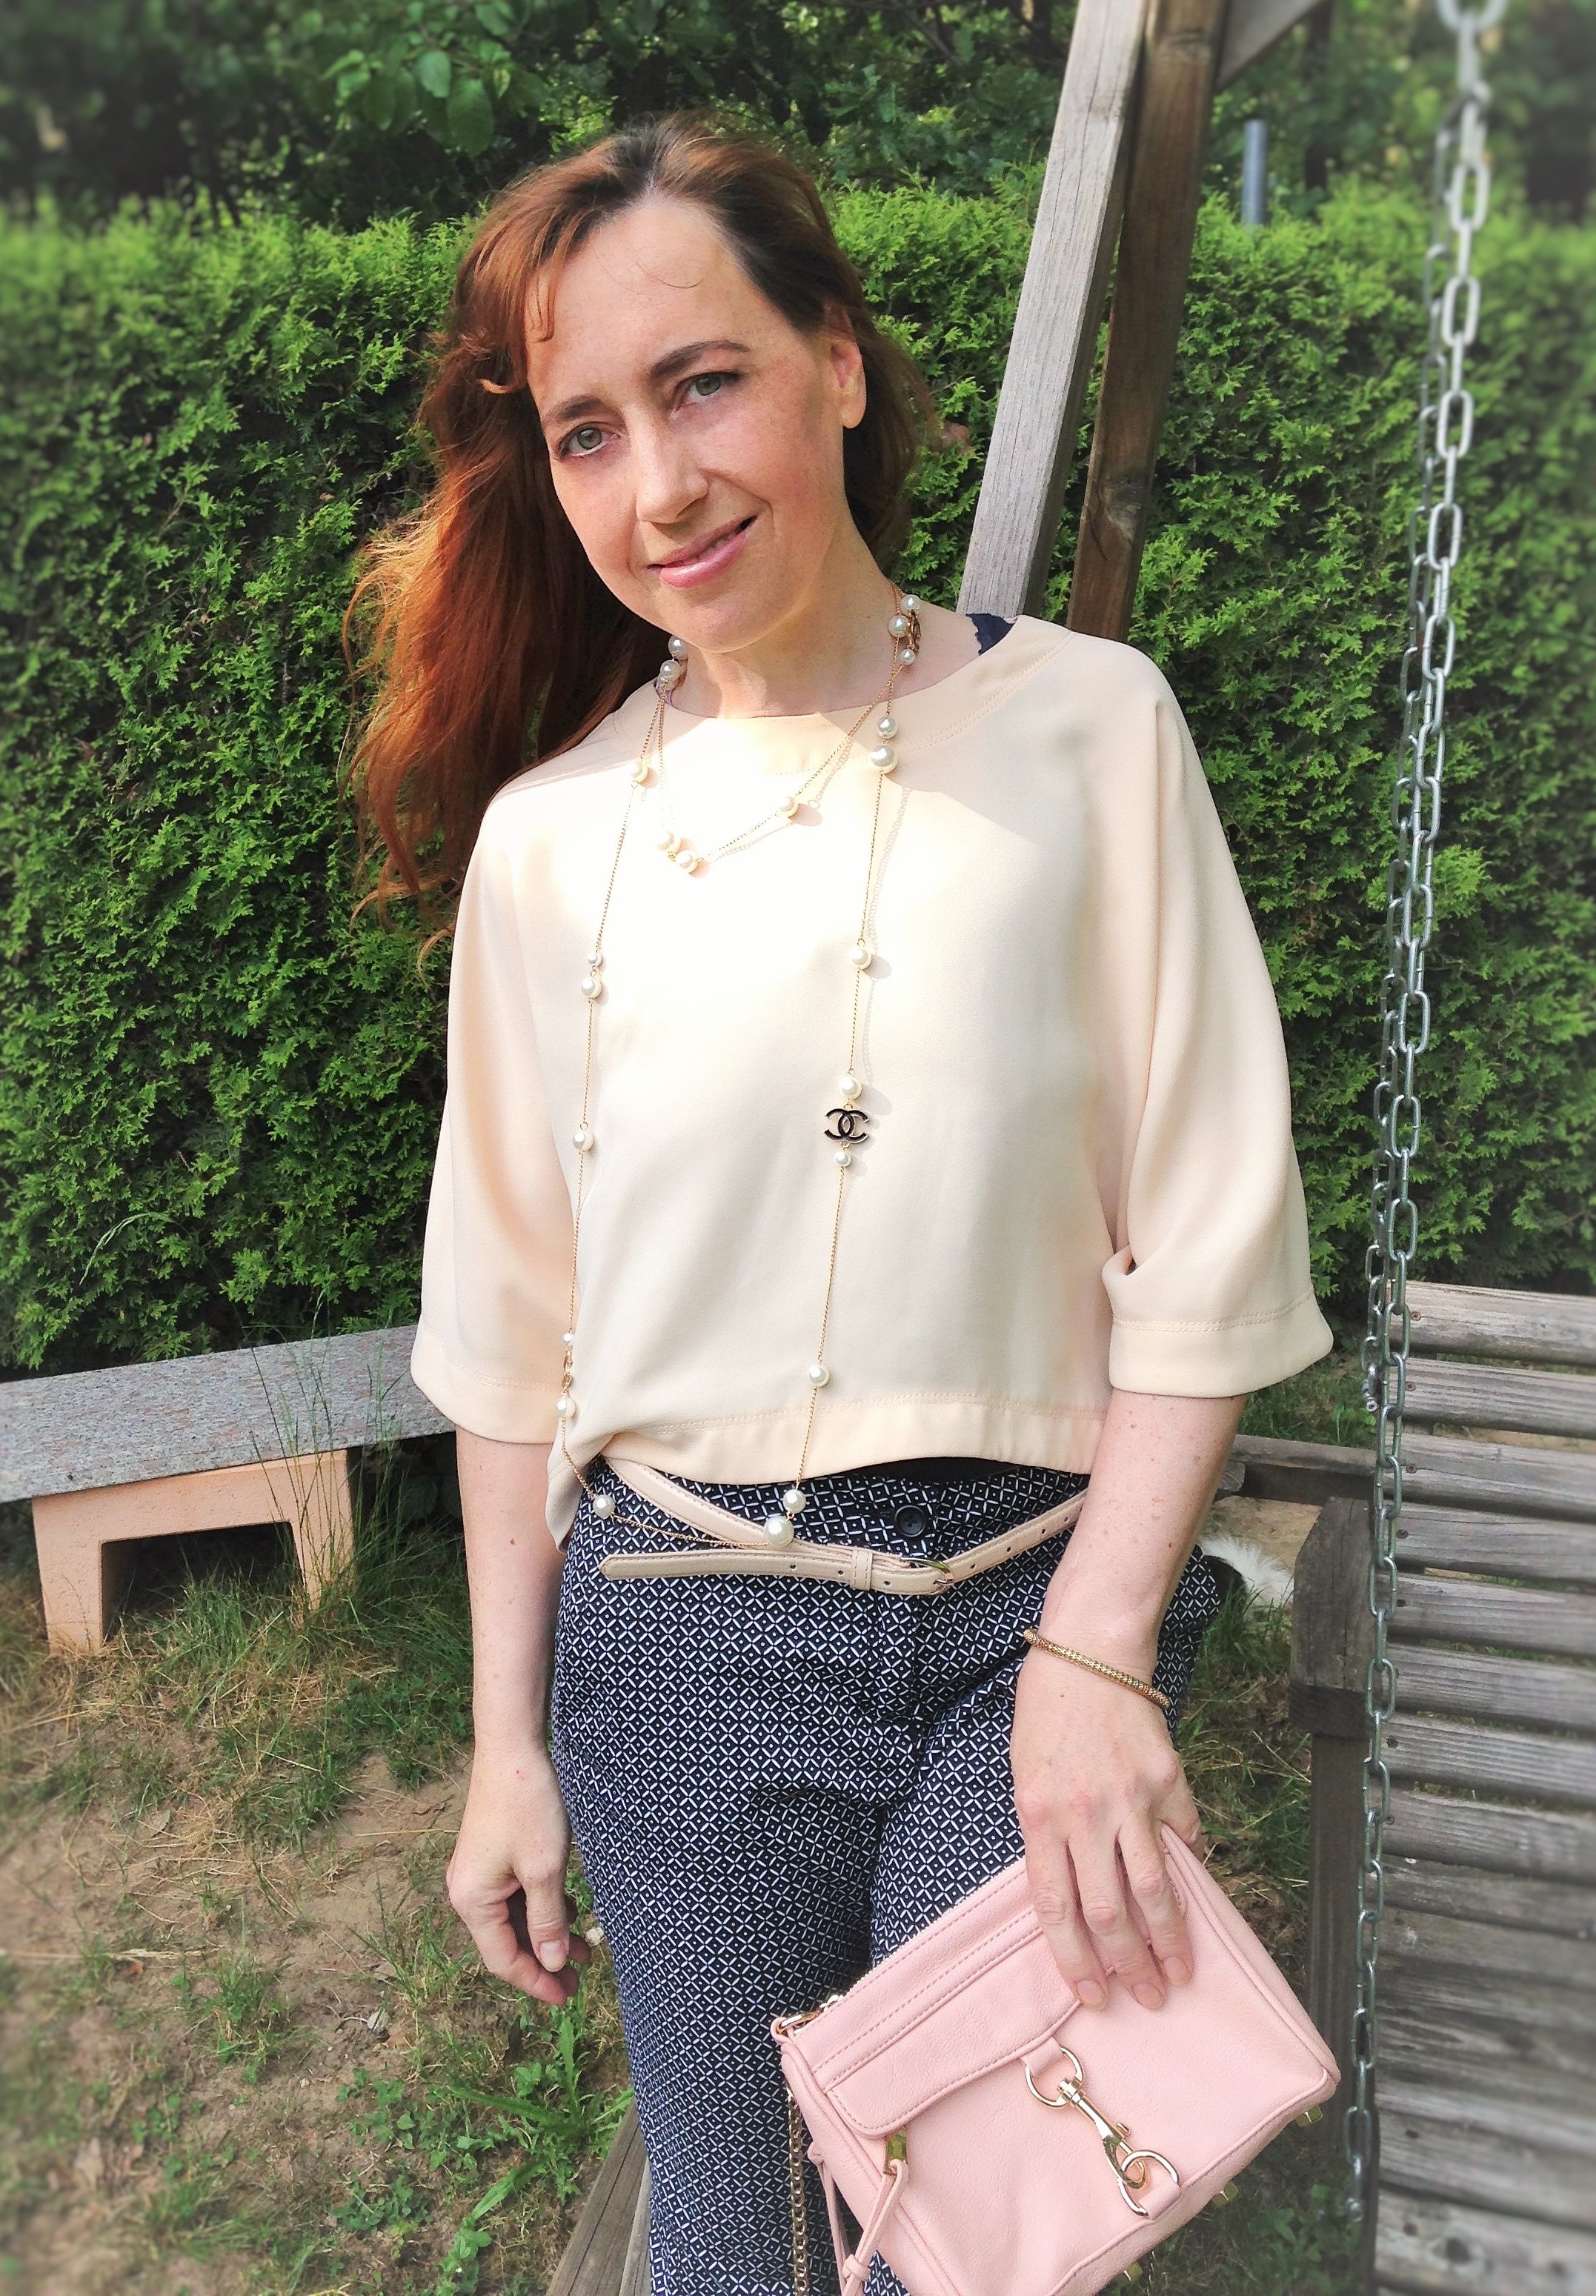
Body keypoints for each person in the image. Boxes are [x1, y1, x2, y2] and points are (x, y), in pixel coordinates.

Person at [351, 114, 1334, 2296]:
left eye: (704, 384)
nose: (659, 486)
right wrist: (505, 1746)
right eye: (589, 431)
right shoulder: (549, 845)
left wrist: (1099, 1650)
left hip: (1024, 1614)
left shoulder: (1092, 731)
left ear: (837, 363)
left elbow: (1205, 1240)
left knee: (986, 2251)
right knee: (737, 2245)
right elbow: (511, 1339)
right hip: (680, 1633)